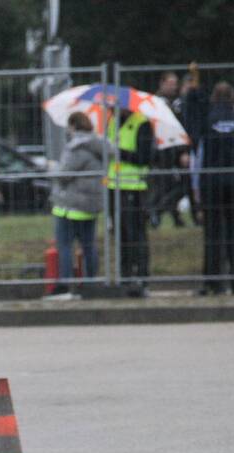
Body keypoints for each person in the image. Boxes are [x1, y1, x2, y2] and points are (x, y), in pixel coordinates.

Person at [191, 82, 234, 295]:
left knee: (212, 235)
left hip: (211, 184)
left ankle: (213, 283)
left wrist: (196, 187)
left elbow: (198, 157)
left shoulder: (206, 121)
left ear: (213, 97)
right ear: (233, 97)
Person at [48, 112, 115, 298]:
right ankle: (90, 282)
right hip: (90, 206)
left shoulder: (76, 147)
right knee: (89, 246)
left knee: (65, 246)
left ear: (73, 126)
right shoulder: (101, 146)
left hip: (70, 206)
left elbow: (64, 175)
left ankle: (65, 285)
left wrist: (53, 168)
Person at [105, 107, 154, 297]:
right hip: (114, 186)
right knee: (120, 234)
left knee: (136, 234)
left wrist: (119, 152)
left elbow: (144, 158)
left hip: (134, 187)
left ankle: (141, 276)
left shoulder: (142, 124)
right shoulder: (112, 122)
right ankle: (125, 276)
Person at [149, 72, 190, 229]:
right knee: (165, 184)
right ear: (162, 83)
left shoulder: (178, 102)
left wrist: (183, 150)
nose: (174, 87)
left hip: (176, 148)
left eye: (175, 84)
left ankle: (163, 213)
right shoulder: (156, 102)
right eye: (170, 84)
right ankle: (156, 212)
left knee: (180, 185)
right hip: (162, 150)